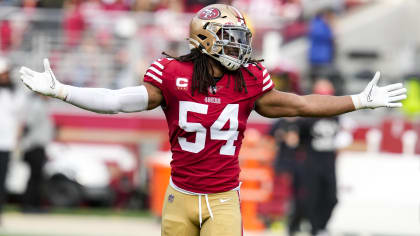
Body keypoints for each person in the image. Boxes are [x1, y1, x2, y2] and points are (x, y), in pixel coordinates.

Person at [19, 4, 407, 236]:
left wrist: (357, 100)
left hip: (223, 200)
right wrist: (64, 91)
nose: (241, 45)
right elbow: (120, 100)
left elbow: (302, 105)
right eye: (232, 37)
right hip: (179, 197)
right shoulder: (171, 74)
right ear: (206, 39)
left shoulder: (250, 79)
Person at [0, 57, 25, 225]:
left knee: (1, 181)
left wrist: (17, 142)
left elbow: (20, 120)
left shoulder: (15, 93)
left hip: (6, 144)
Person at [20, 94, 55, 213]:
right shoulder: (37, 105)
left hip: (37, 146)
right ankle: (29, 205)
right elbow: (28, 125)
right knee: (35, 177)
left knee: (36, 177)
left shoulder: (41, 105)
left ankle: (32, 204)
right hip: (34, 146)